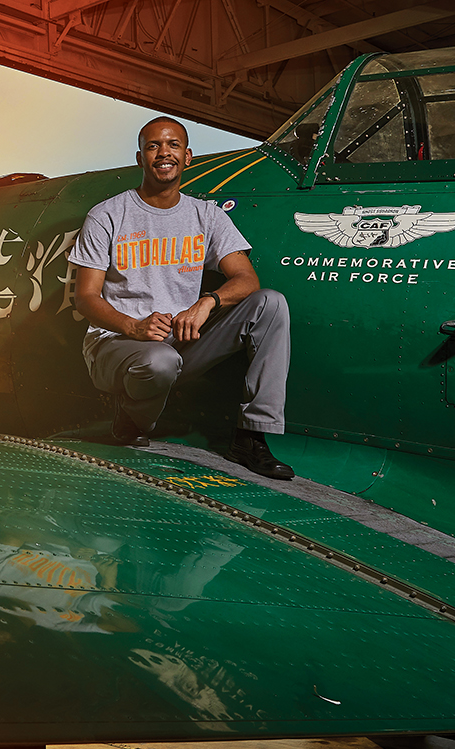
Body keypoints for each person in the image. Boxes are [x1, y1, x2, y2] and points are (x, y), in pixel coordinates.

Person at [69, 116, 294, 480]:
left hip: (182, 342)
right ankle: (131, 416)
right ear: (140, 158)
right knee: (158, 360)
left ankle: (252, 436)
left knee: (271, 304)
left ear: (187, 156)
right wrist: (134, 326)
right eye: (153, 146)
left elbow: (246, 279)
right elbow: (86, 297)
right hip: (119, 344)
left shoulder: (206, 215)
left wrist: (207, 303)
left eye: (172, 145)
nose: (163, 153)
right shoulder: (108, 215)